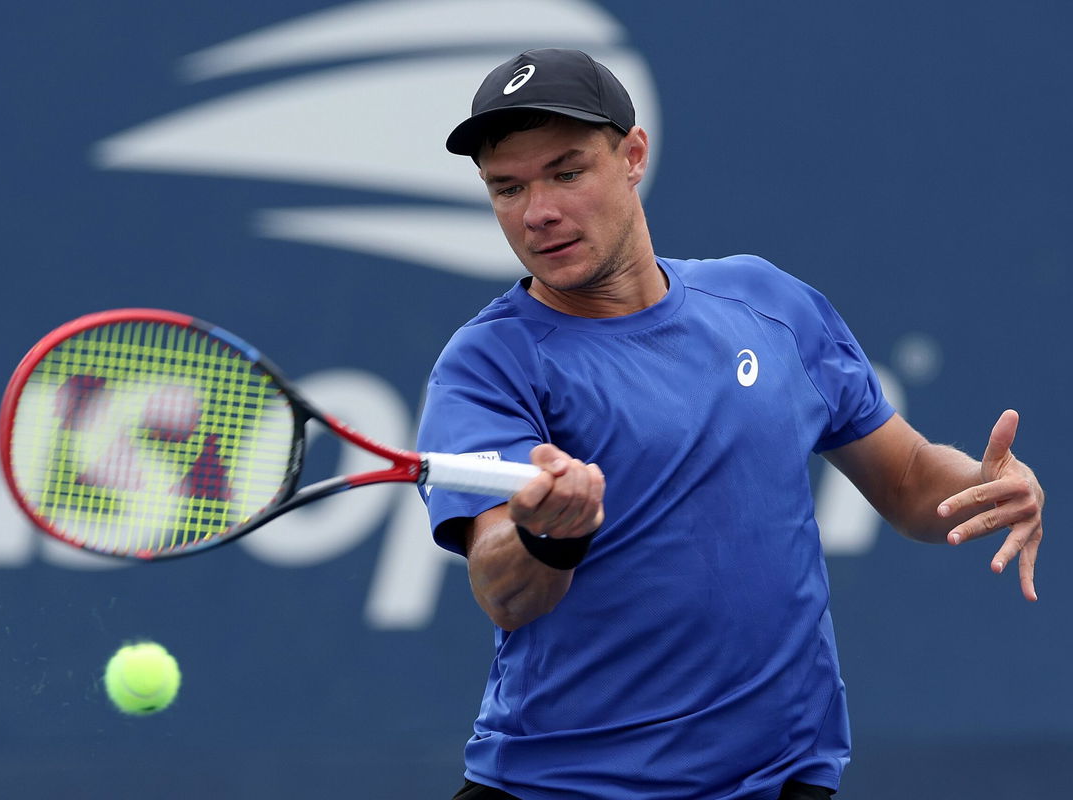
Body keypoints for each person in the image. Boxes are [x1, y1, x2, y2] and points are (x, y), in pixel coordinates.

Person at [416, 48, 1045, 800]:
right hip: (564, 786)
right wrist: (549, 534)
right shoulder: (488, 363)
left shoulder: (769, 304)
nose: (538, 211)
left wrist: (984, 485)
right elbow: (504, 588)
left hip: (777, 781)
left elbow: (908, 478)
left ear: (633, 156)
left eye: (567, 171)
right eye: (507, 187)